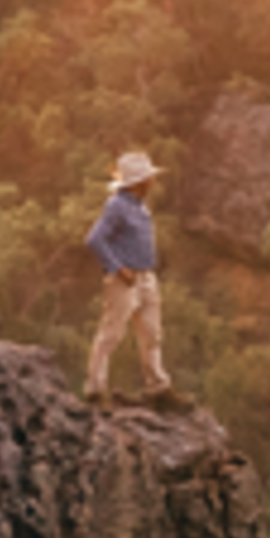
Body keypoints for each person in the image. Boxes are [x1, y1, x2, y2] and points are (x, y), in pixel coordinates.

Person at [83, 147, 177, 406]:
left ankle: (158, 387)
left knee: (152, 334)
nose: (153, 181)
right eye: (149, 178)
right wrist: (117, 268)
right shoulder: (117, 205)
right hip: (125, 279)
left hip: (146, 277)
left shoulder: (139, 205)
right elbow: (94, 240)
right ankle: (95, 389)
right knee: (111, 334)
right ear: (139, 182)